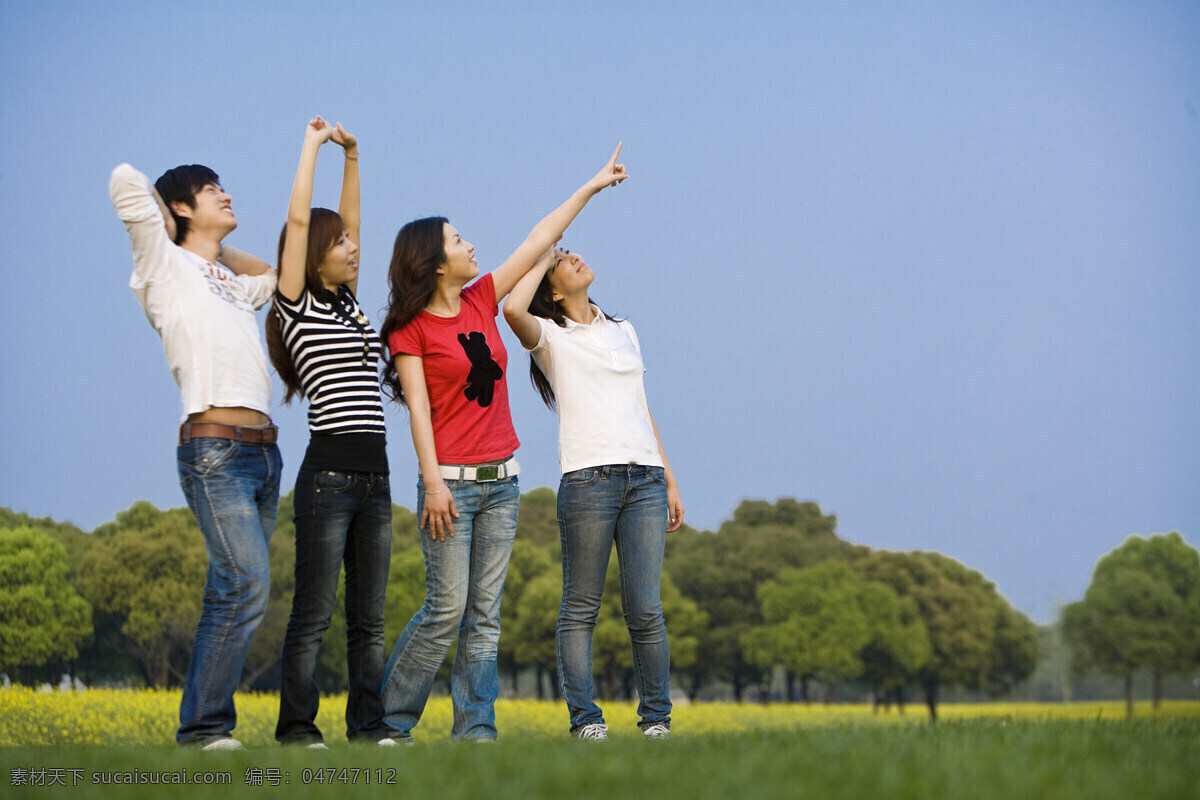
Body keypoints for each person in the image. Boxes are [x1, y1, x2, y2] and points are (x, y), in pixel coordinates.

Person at [378, 144, 628, 742]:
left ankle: (477, 731)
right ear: (435, 263)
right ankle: (389, 722)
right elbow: (418, 412)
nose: (470, 244)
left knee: (485, 617)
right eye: (457, 240)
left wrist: (591, 186)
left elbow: (543, 236)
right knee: (445, 611)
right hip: (451, 489)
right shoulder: (411, 328)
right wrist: (433, 483)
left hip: (503, 483)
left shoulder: (481, 299)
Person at [110, 160, 280, 750]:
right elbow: (124, 180)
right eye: (213, 191)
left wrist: (216, 252)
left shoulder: (225, 280)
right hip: (215, 451)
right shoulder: (162, 264)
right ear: (181, 207)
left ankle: (205, 727)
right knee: (245, 582)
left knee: (234, 587)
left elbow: (280, 278)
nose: (228, 195)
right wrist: (167, 226)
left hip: (264, 455)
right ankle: (205, 729)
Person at [503, 243, 685, 741]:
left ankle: (656, 721)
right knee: (580, 607)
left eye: (570, 253)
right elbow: (512, 308)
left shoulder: (624, 330)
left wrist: (668, 476)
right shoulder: (549, 338)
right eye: (564, 261)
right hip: (588, 480)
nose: (575, 257)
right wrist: (542, 257)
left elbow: (640, 406)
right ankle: (586, 720)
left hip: (645, 478)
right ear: (554, 291)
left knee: (645, 608)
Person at [266, 118, 396, 748]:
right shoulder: (298, 303)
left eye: (351, 241)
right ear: (315, 254)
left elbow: (354, 223)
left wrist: (353, 155)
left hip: (376, 478)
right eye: (339, 243)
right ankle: (297, 729)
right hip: (328, 481)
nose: (352, 248)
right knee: (313, 616)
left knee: (368, 622)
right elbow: (298, 224)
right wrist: (313, 146)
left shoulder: (350, 303)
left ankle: (368, 729)